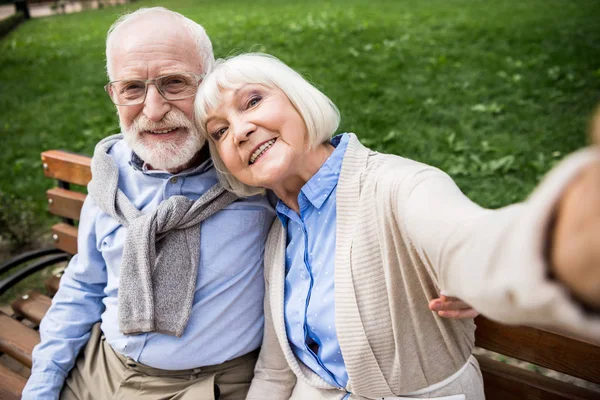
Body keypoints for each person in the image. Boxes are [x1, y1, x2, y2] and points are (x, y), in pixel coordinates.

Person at [22, 8, 473, 400]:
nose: (153, 109)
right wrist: (41, 385)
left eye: (174, 83)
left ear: (207, 80)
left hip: (206, 386)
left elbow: (376, 195)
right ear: (112, 95)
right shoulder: (110, 176)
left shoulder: (257, 178)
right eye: (132, 89)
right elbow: (83, 287)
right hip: (102, 366)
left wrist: (467, 264)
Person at [194, 53, 600, 399]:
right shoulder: (279, 231)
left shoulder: (400, 186)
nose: (241, 131)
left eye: (252, 102)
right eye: (220, 131)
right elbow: (278, 371)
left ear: (300, 100)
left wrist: (559, 245)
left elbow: (472, 243)